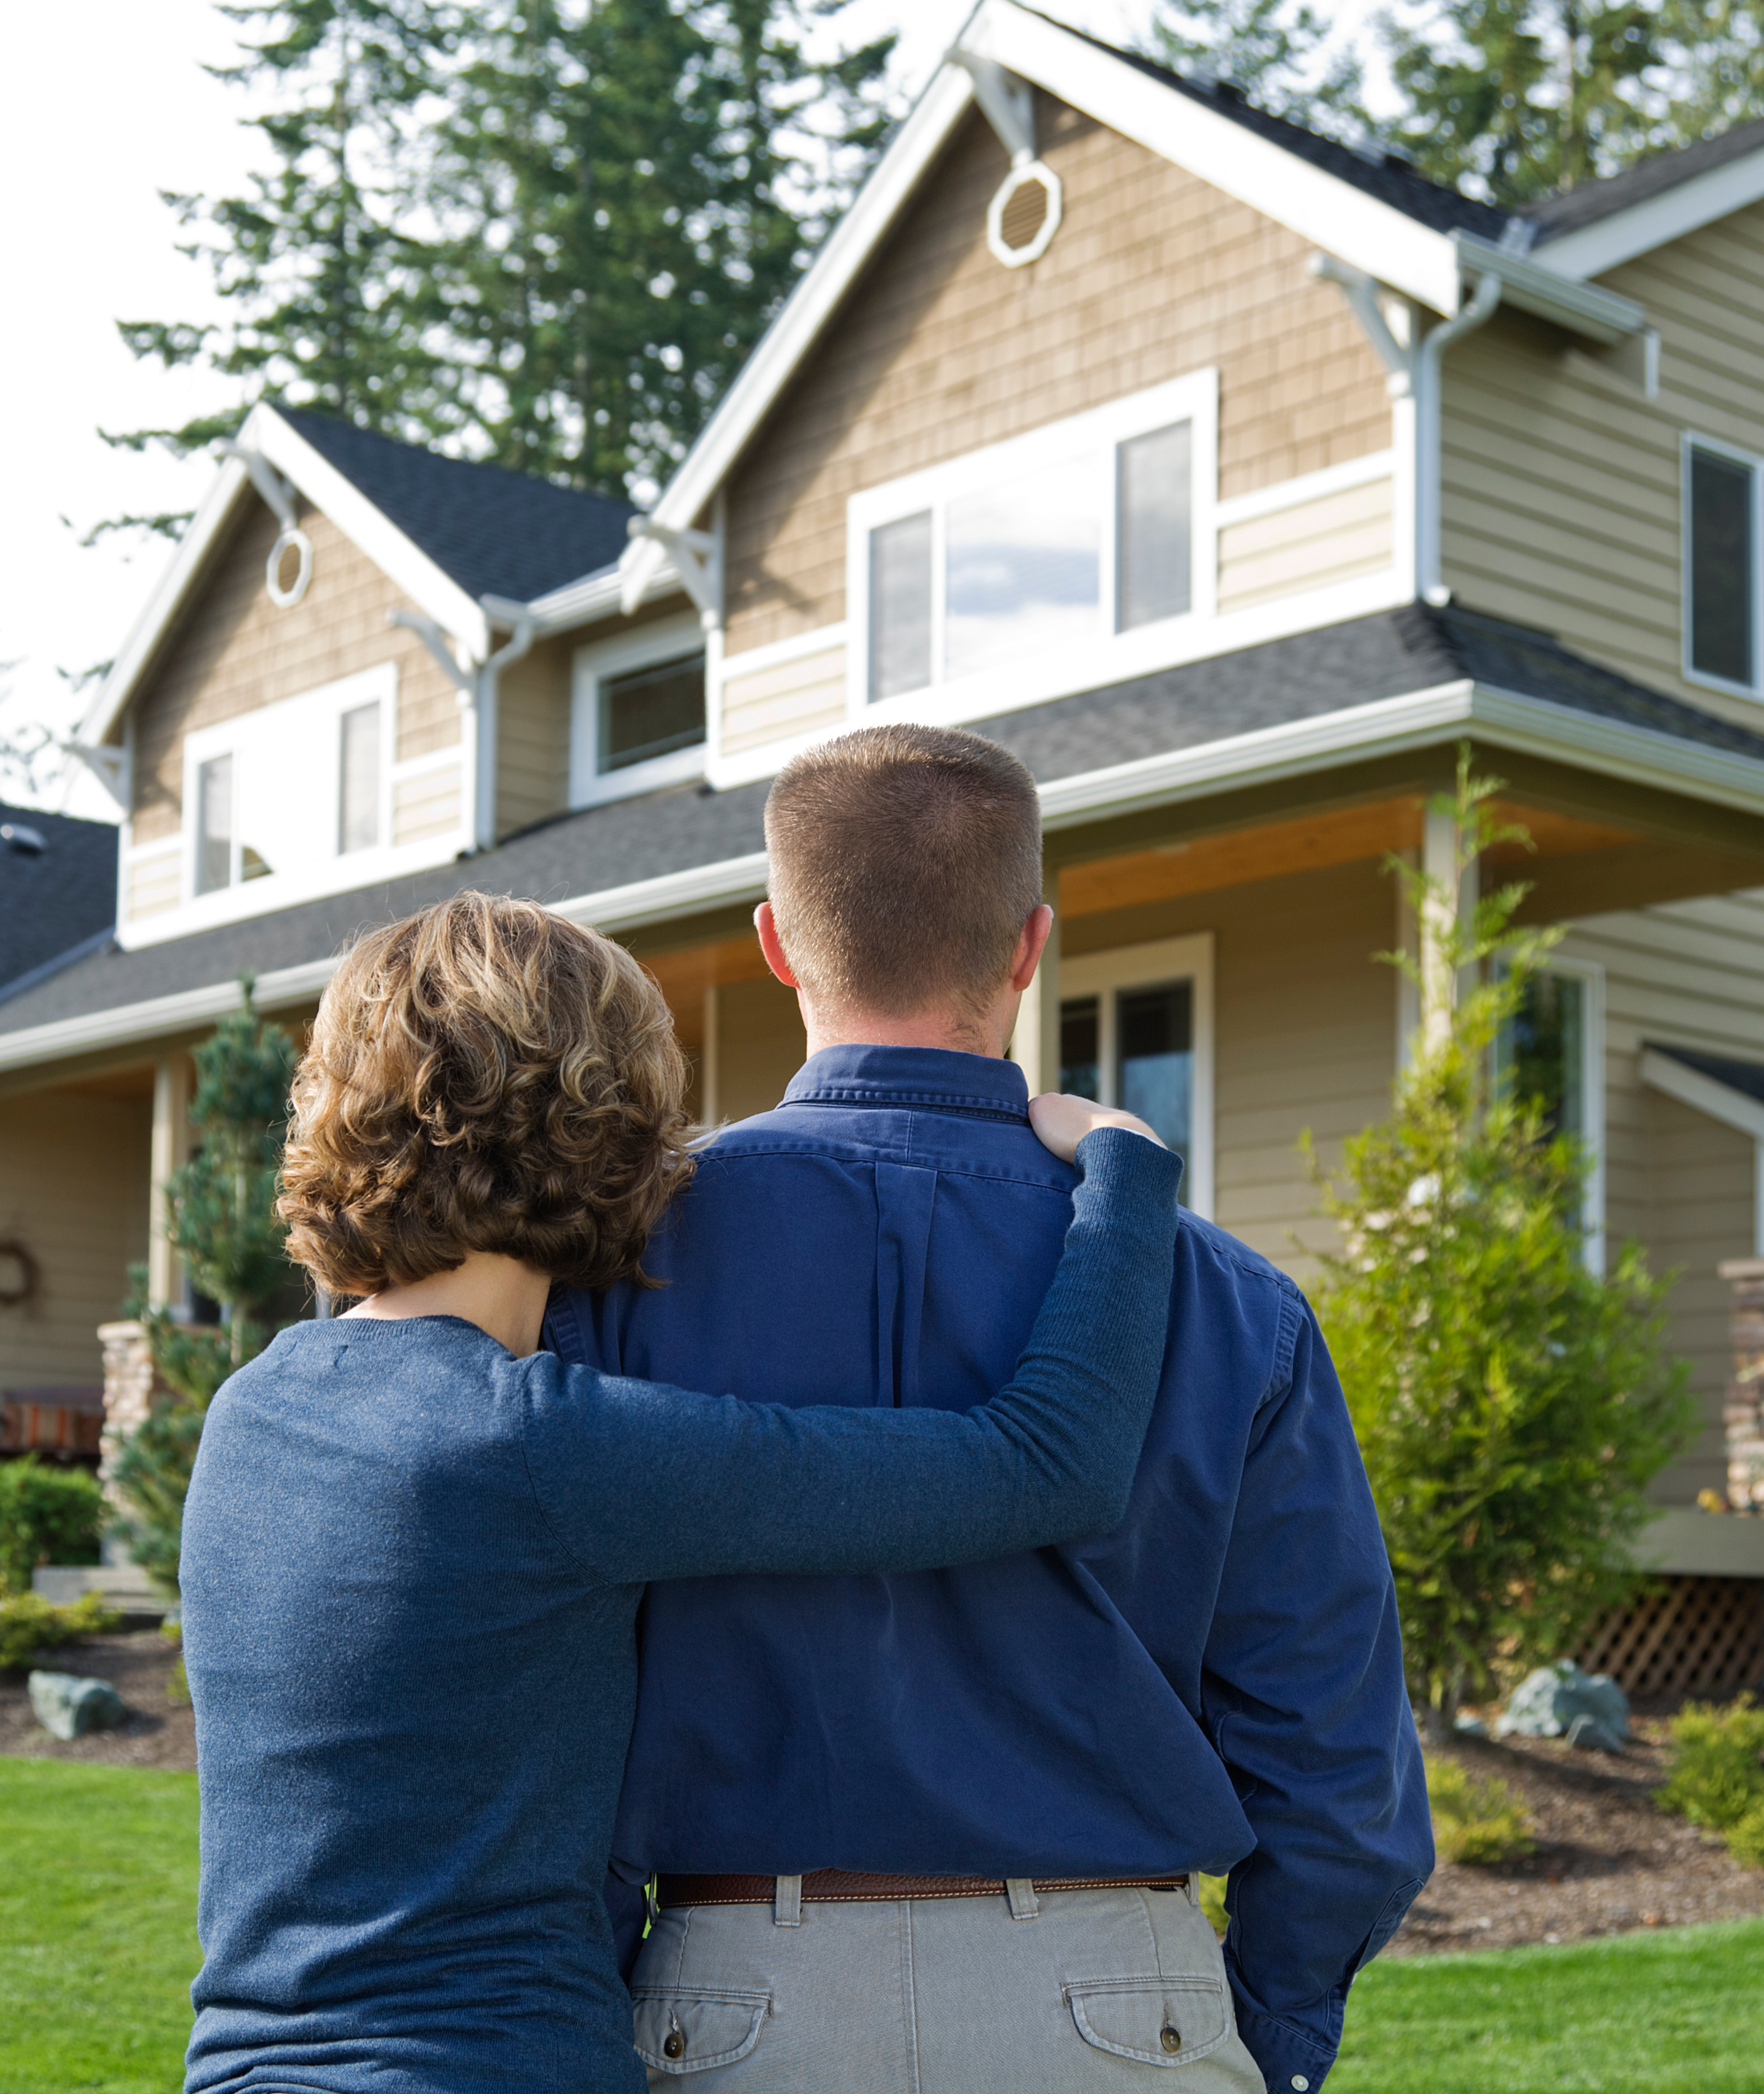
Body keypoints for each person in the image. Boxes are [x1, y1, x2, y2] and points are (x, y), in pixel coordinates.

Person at [547, 724, 1433, 2094]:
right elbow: (1335, 1765)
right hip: (1120, 2004)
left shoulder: (614, 1268)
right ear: (1029, 945)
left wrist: (621, 1981)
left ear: (778, 943)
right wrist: (1263, 2031)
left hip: (729, 2005)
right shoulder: (1229, 1299)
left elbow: (541, 1702)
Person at [181, 892, 1186, 2094]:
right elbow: (1047, 1463)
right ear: (606, 1126)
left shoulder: (250, 1415)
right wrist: (1127, 1169)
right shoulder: (537, 1448)